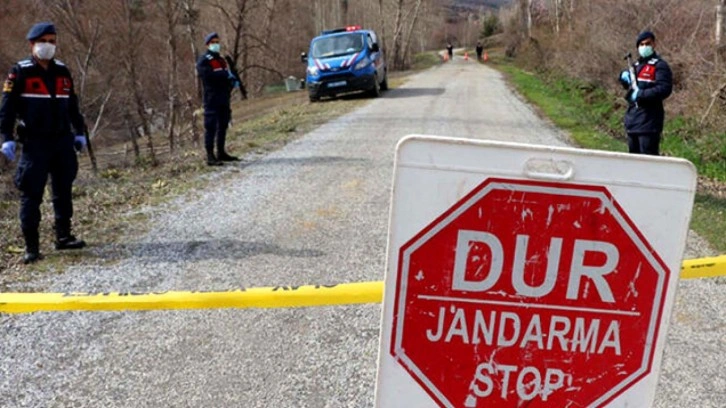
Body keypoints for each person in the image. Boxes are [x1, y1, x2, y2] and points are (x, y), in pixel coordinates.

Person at [0, 22, 87, 264]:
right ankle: (32, 247)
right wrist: (6, 138)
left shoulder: (62, 71)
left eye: (52, 41)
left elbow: (73, 106)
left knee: (63, 190)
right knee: (31, 193)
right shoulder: (20, 72)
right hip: (35, 143)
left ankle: (64, 236)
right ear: (32, 44)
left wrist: (79, 132)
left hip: (62, 140)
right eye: (43, 41)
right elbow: (7, 109)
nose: (48, 45)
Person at [619, 30, 673, 155]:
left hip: (649, 122)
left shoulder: (659, 65)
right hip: (633, 121)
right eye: (641, 44)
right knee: (633, 160)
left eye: (647, 44)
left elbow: (664, 89)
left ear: (654, 44)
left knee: (648, 160)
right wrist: (623, 78)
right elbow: (629, 87)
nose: (644, 47)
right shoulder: (636, 66)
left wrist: (640, 94)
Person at [196, 32, 239, 166]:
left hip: (223, 96)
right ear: (207, 45)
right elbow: (206, 76)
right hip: (212, 97)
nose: (216, 44)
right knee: (211, 126)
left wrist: (231, 81)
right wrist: (224, 74)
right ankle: (210, 156)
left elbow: (227, 75)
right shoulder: (204, 60)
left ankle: (221, 152)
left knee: (223, 124)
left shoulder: (221, 59)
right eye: (213, 42)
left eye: (217, 42)